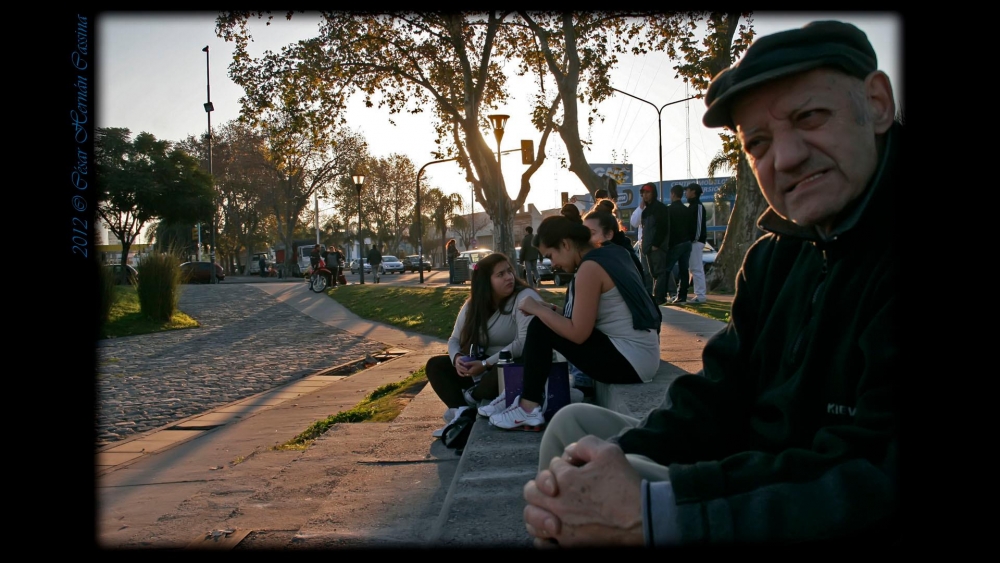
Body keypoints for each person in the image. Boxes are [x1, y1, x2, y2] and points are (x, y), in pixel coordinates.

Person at [522, 20, 901, 547]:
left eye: (810, 116)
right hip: (749, 468)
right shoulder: (775, 256)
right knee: (573, 440)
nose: (786, 158)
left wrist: (657, 512)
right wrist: (618, 462)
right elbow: (716, 396)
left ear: (878, 103)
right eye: (759, 143)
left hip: (806, 503)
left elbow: (874, 475)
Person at [487, 214, 661, 430]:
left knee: (540, 326)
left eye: (551, 255)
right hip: (640, 357)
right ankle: (523, 398)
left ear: (565, 244)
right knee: (544, 320)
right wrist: (549, 310)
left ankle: (528, 406)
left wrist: (536, 310)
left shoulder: (589, 269)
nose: (554, 264)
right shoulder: (611, 253)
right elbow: (590, 316)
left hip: (629, 361)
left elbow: (578, 333)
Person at [425, 253, 547, 421]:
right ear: (486, 281)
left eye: (509, 271)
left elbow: (521, 344)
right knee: (435, 365)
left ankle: (470, 399)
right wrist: (457, 359)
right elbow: (454, 340)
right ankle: (461, 411)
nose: (509, 277)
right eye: (500, 274)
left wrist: (485, 364)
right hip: (477, 370)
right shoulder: (473, 305)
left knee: (504, 369)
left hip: (506, 366)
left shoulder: (524, 297)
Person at [658, 184, 696, 305]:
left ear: (673, 194)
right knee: (684, 270)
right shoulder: (687, 210)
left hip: (675, 244)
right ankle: (682, 296)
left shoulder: (669, 210)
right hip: (687, 243)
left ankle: (662, 295)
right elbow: (692, 228)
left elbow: (666, 229)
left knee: (666, 269)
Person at [587, 202, 642, 278]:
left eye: (592, 233)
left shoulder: (616, 258)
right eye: (585, 233)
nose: (586, 238)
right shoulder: (624, 250)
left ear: (609, 234)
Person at [638, 182, 672, 305]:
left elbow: (663, 228)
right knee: (653, 274)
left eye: (648, 192)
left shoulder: (661, 208)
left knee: (660, 273)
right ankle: (655, 297)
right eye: (643, 193)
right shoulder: (645, 211)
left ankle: (659, 298)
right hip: (647, 248)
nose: (645, 195)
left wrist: (656, 244)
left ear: (653, 193)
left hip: (657, 248)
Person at [686, 183, 708, 304]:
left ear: (693, 192)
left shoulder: (698, 206)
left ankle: (700, 295)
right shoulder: (692, 206)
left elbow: (699, 226)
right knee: (692, 269)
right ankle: (697, 294)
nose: (686, 193)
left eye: (688, 190)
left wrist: (694, 239)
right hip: (692, 242)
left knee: (697, 268)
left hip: (696, 241)